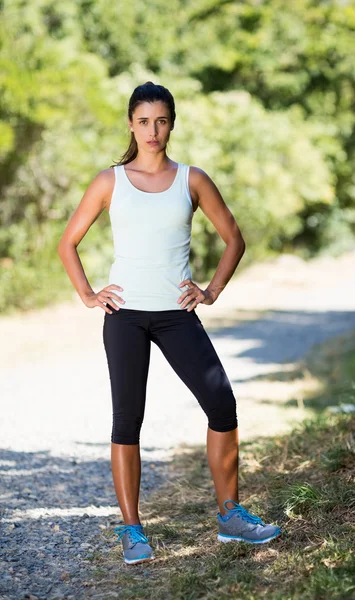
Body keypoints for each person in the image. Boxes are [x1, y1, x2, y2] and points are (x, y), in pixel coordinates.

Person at [58, 81, 281, 565]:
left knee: (222, 403)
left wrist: (212, 290)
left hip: (177, 313)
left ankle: (230, 517)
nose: (152, 131)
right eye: (143, 121)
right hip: (125, 316)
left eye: (161, 121)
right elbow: (67, 243)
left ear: (171, 123)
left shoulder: (192, 180)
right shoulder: (109, 181)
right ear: (131, 124)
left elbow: (234, 239)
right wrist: (89, 293)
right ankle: (132, 530)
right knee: (127, 419)